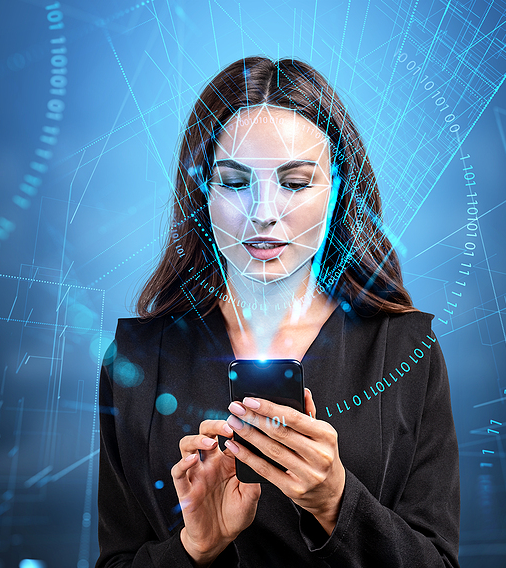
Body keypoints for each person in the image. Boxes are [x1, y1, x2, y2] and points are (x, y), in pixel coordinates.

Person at [95, 56, 460, 568]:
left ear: (338, 188)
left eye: (294, 181)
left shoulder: (404, 349)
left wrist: (336, 502)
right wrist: (194, 549)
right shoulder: (136, 360)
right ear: (201, 192)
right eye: (234, 181)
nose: (264, 211)